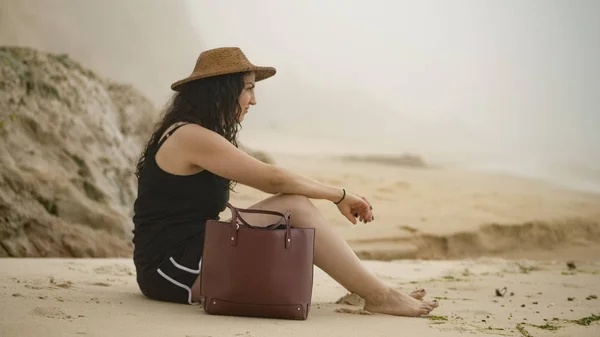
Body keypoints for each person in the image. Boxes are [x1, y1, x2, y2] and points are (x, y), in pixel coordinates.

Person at [132, 47, 439, 317]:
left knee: (291, 207)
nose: (253, 100)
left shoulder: (197, 133)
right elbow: (273, 178)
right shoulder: (188, 136)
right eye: (249, 89)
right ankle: (379, 296)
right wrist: (339, 195)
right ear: (222, 91)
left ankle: (371, 290)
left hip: (195, 253)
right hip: (171, 269)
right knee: (293, 205)